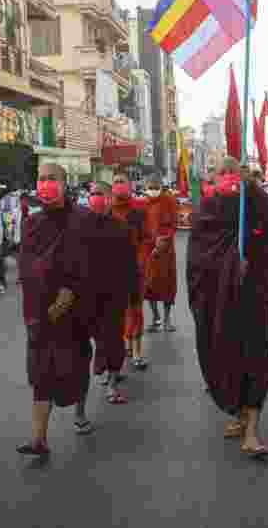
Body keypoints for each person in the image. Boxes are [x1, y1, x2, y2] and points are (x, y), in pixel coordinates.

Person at [16, 163, 137, 454]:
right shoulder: (31, 224)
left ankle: (80, 412)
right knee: (40, 373)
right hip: (42, 313)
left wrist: (72, 291)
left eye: (51, 179)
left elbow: (95, 263)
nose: (45, 185)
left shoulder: (83, 220)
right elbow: (26, 266)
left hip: (75, 313)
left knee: (76, 368)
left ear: (64, 182)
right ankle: (38, 438)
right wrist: (38, 296)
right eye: (41, 180)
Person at [187, 157, 268, 460]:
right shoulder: (206, 210)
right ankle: (239, 412)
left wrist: (251, 188)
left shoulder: (252, 202)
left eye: (234, 173)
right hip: (218, 299)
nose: (229, 177)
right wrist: (228, 264)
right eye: (222, 173)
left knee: (254, 355)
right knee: (225, 354)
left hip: (251, 297)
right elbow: (199, 258)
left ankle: (253, 430)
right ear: (212, 180)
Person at [87, 182, 131, 404]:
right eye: (92, 194)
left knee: (113, 340)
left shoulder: (121, 227)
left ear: (110, 199)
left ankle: (113, 382)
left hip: (114, 294)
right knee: (96, 339)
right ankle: (101, 366)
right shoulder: (80, 226)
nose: (95, 198)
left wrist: (131, 291)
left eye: (100, 194)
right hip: (87, 295)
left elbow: (129, 262)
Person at [109, 172, 151, 370]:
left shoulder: (140, 208)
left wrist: (140, 261)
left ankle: (137, 352)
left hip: (135, 270)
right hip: (113, 272)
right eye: (115, 182)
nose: (118, 185)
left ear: (130, 185)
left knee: (135, 311)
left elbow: (147, 238)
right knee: (115, 313)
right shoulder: (107, 210)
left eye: (122, 182)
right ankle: (122, 347)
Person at [141, 173, 179, 333]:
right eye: (150, 188)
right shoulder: (142, 203)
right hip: (148, 250)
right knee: (149, 285)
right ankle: (155, 318)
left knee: (167, 284)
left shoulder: (169, 201)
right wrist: (149, 243)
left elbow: (173, 224)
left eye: (156, 187)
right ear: (145, 188)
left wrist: (162, 241)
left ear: (161, 187)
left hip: (166, 250)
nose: (153, 190)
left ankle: (167, 319)